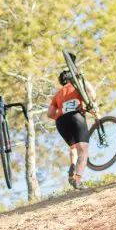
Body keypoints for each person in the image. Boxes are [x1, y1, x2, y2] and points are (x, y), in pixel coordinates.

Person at [47, 55, 96, 190]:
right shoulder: (78, 86)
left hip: (61, 122)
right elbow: (92, 94)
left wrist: (62, 114)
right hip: (76, 117)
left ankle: (73, 164)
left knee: (74, 147)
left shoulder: (58, 93)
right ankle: (78, 179)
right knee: (83, 151)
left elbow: (50, 113)